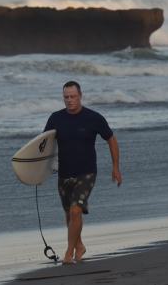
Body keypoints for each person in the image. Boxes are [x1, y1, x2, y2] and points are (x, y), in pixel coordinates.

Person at [44, 80, 122, 264]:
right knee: (69, 214)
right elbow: (44, 145)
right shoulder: (55, 118)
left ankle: (69, 252)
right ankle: (79, 245)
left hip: (87, 173)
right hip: (64, 173)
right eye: (66, 97)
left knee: (76, 211)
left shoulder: (93, 118)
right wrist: (37, 172)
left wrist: (116, 167)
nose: (69, 100)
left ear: (80, 96)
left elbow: (111, 139)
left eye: (73, 96)